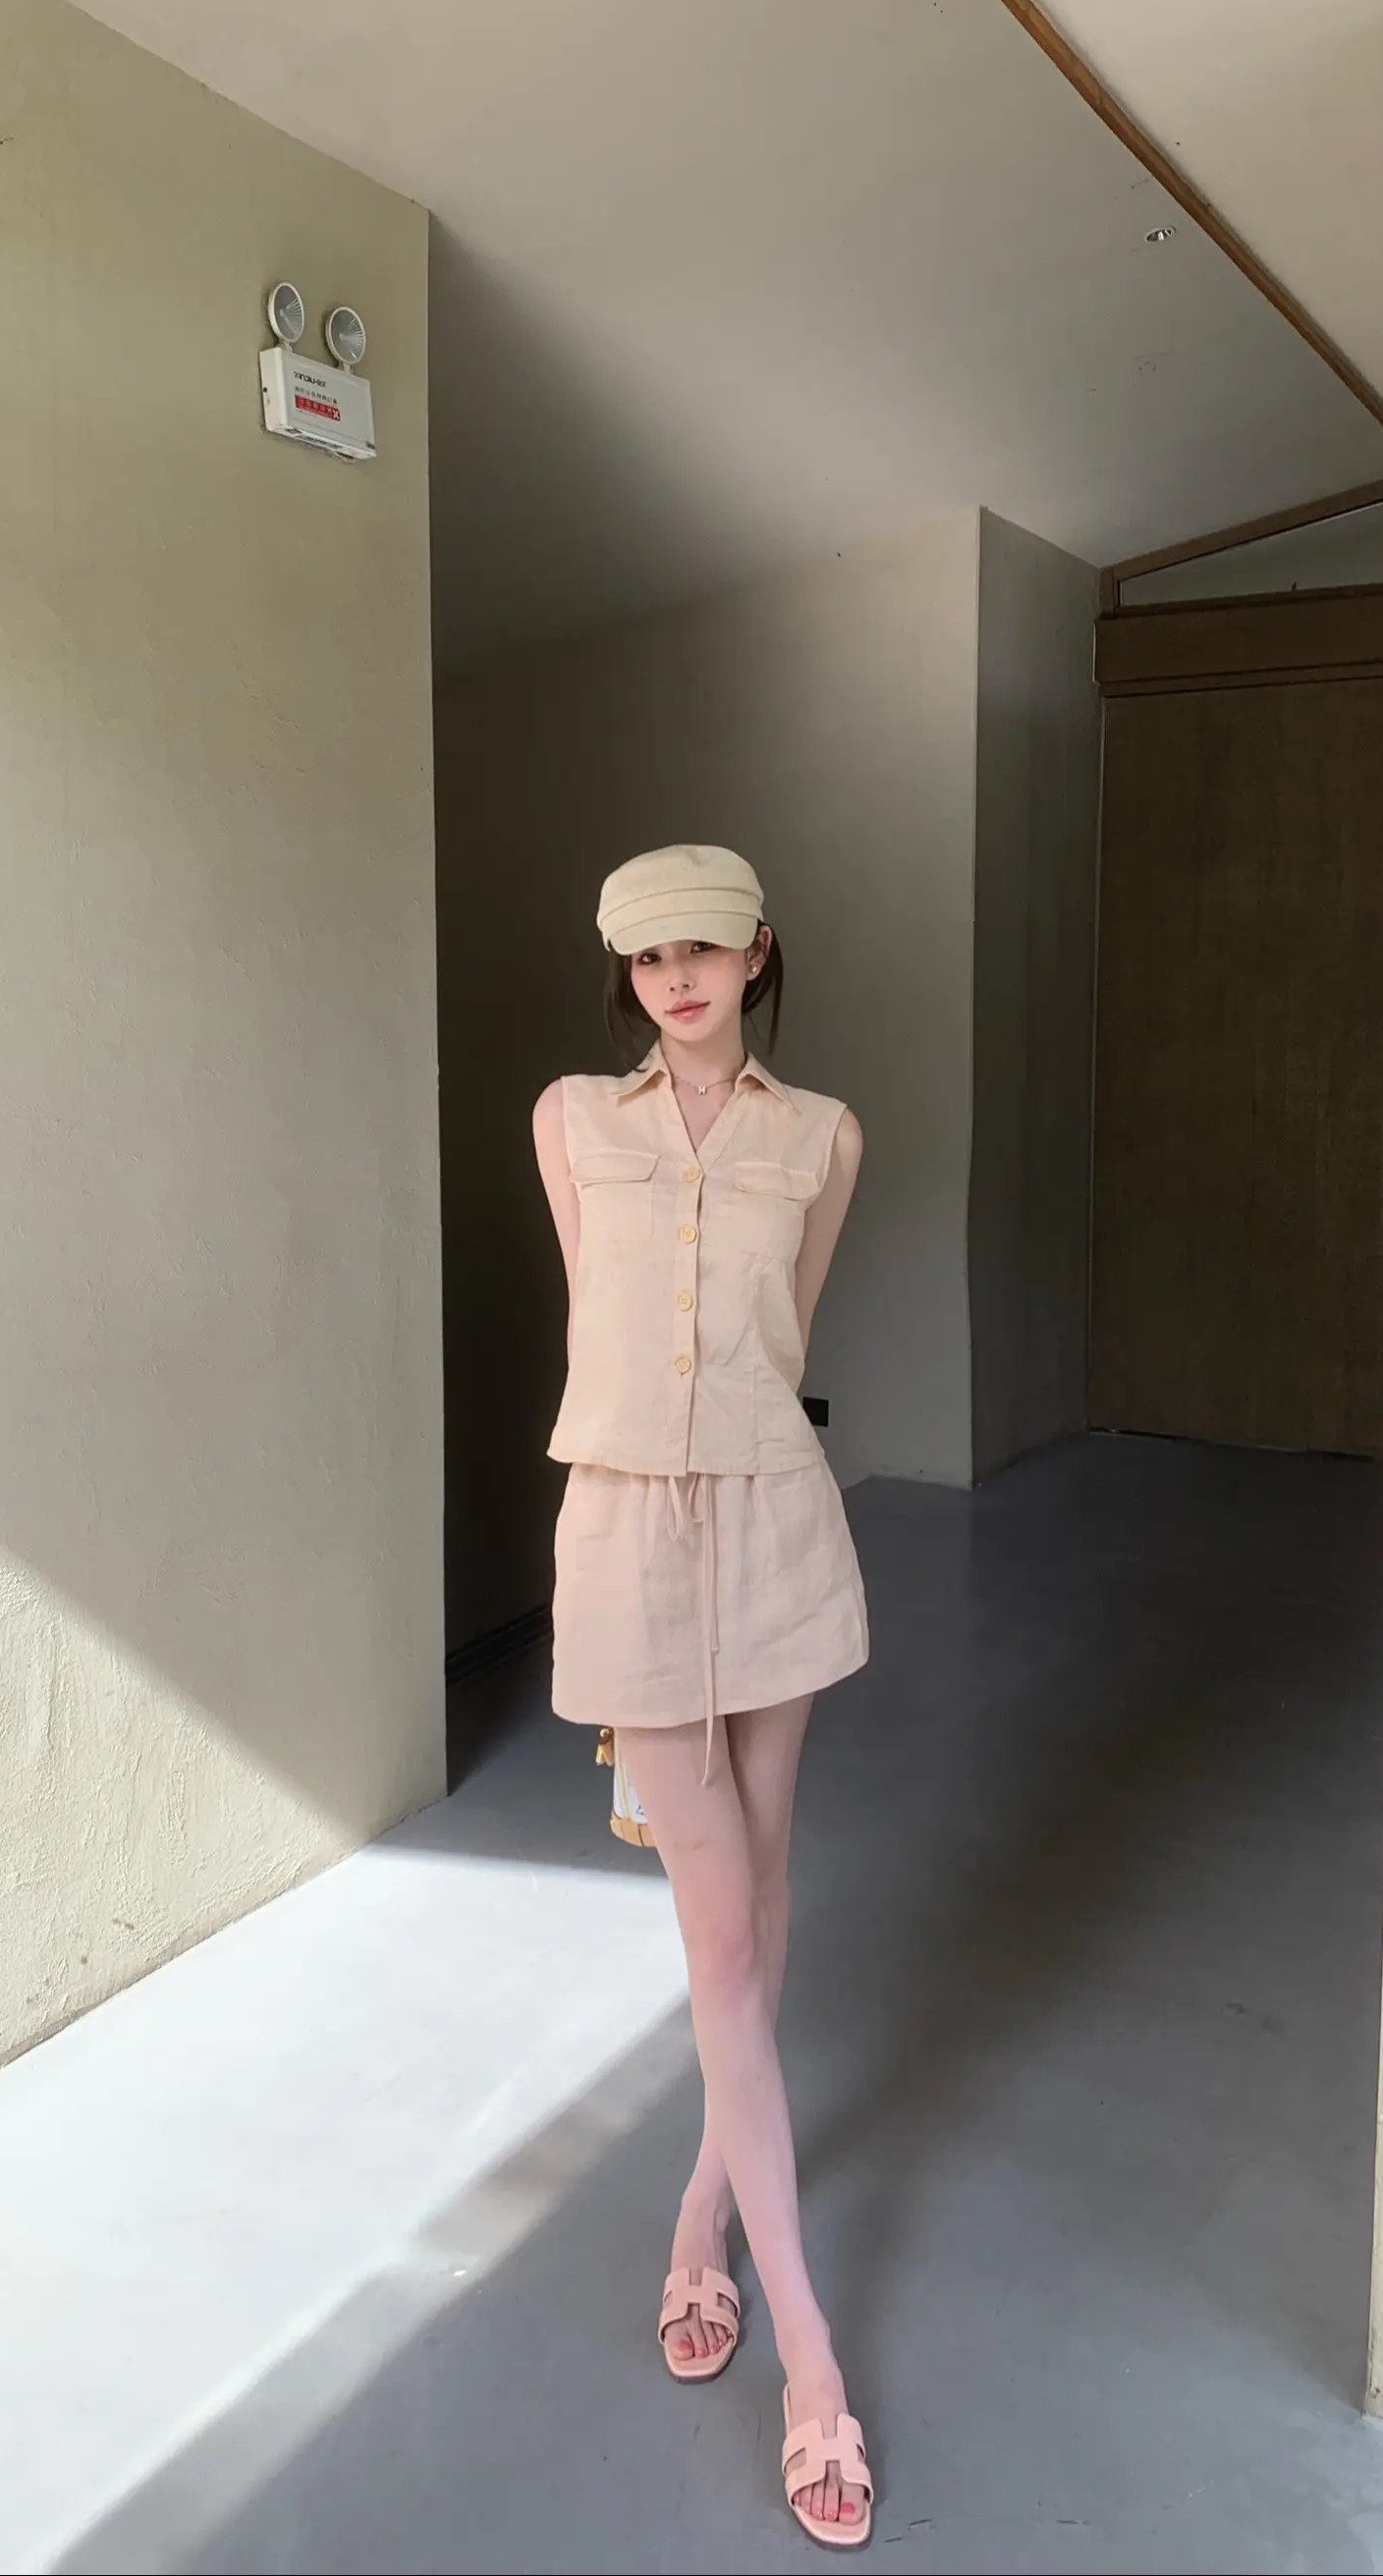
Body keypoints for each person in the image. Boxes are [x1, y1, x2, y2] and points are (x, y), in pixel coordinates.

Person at [532, 843, 875, 2549]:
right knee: (721, 1928)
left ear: (757, 953)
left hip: (773, 1526)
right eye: (649, 953)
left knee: (761, 1897)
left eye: (706, 947)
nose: (677, 976)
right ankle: (810, 2350)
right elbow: (603, 1330)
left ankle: (697, 2218)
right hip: (625, 1534)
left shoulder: (823, 1139)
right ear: (627, 970)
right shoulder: (569, 1122)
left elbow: (778, 1342)